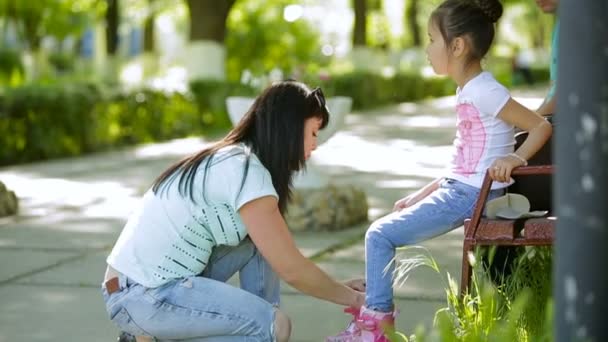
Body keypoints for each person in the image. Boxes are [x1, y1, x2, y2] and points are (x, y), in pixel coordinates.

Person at [327, 0, 553, 341]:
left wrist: (516, 159)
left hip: (471, 197)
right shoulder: (470, 89)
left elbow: (540, 126)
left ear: (458, 45)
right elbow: (466, 163)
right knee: (382, 233)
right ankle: (374, 325)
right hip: (461, 191)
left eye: (432, 39)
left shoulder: (485, 90)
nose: (427, 48)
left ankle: (374, 330)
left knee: (379, 235)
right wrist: (424, 192)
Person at [101, 80, 366, 342]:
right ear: (291, 128)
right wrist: (355, 300)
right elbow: (291, 269)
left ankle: (153, 336)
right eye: (313, 133)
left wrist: (338, 287)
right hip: (141, 294)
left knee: (258, 249)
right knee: (273, 327)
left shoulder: (237, 158)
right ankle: (152, 336)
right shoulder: (245, 171)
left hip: (137, 285)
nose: (315, 144)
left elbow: (282, 255)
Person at [534, 0, 559, 117]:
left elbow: (563, 95)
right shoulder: (560, 27)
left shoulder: (577, 27)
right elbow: (554, 91)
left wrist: (532, 122)